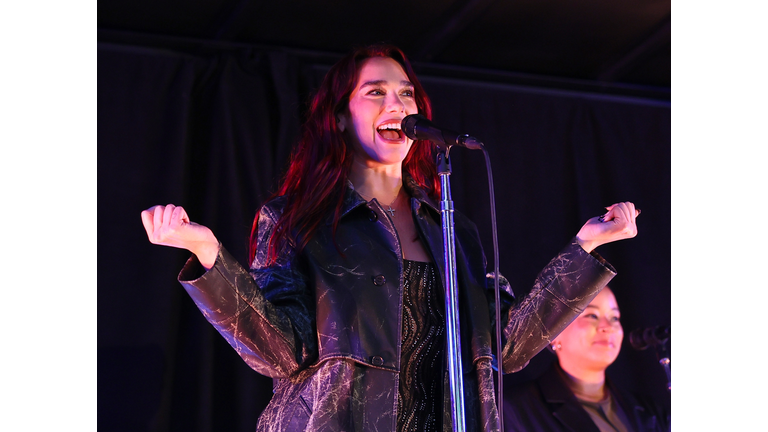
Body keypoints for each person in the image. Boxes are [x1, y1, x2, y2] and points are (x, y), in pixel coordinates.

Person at [140, 44, 640, 432]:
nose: (396, 103)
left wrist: (585, 250)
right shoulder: (297, 219)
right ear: (339, 115)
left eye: (405, 93)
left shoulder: (453, 228)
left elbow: (506, 347)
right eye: (375, 92)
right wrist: (209, 256)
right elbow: (280, 352)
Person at [502, 286, 669, 432]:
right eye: (592, 316)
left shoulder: (650, 411)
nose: (608, 327)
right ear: (553, 333)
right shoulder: (515, 411)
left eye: (614, 318)